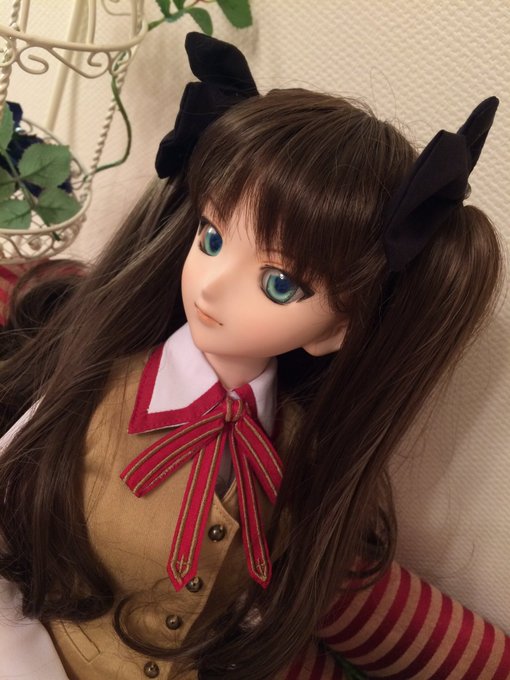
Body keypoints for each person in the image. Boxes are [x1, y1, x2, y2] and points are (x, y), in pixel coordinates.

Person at [0, 33, 507, 680]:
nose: (211, 286)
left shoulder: (296, 454)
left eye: (279, 283)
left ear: (336, 332)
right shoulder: (96, 389)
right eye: (211, 237)